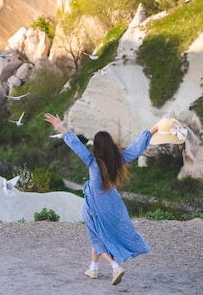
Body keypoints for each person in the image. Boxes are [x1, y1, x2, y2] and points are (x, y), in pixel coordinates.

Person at [45, 113, 162, 285]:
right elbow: (137, 148)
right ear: (110, 146)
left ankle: (115, 266)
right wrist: (155, 129)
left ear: (97, 147)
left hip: (94, 203)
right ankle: (93, 269)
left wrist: (59, 126)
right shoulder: (118, 160)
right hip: (113, 202)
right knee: (99, 233)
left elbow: (75, 144)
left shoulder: (93, 162)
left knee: (95, 236)